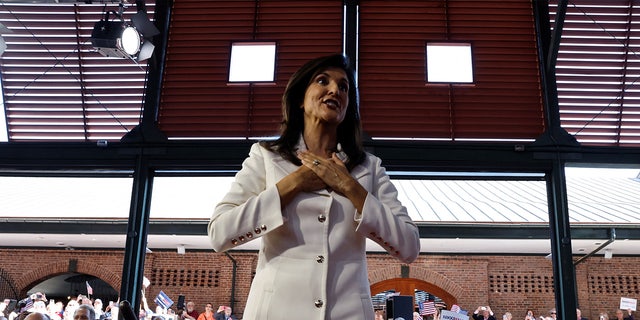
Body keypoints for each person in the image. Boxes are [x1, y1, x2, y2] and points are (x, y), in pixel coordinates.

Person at [207, 53, 420, 319]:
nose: (335, 90)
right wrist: (293, 183)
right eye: (323, 81)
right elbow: (219, 233)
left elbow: (409, 246)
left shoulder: (369, 168)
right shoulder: (265, 156)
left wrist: (352, 189)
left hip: (348, 312)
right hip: (275, 311)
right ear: (300, 98)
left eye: (343, 87)